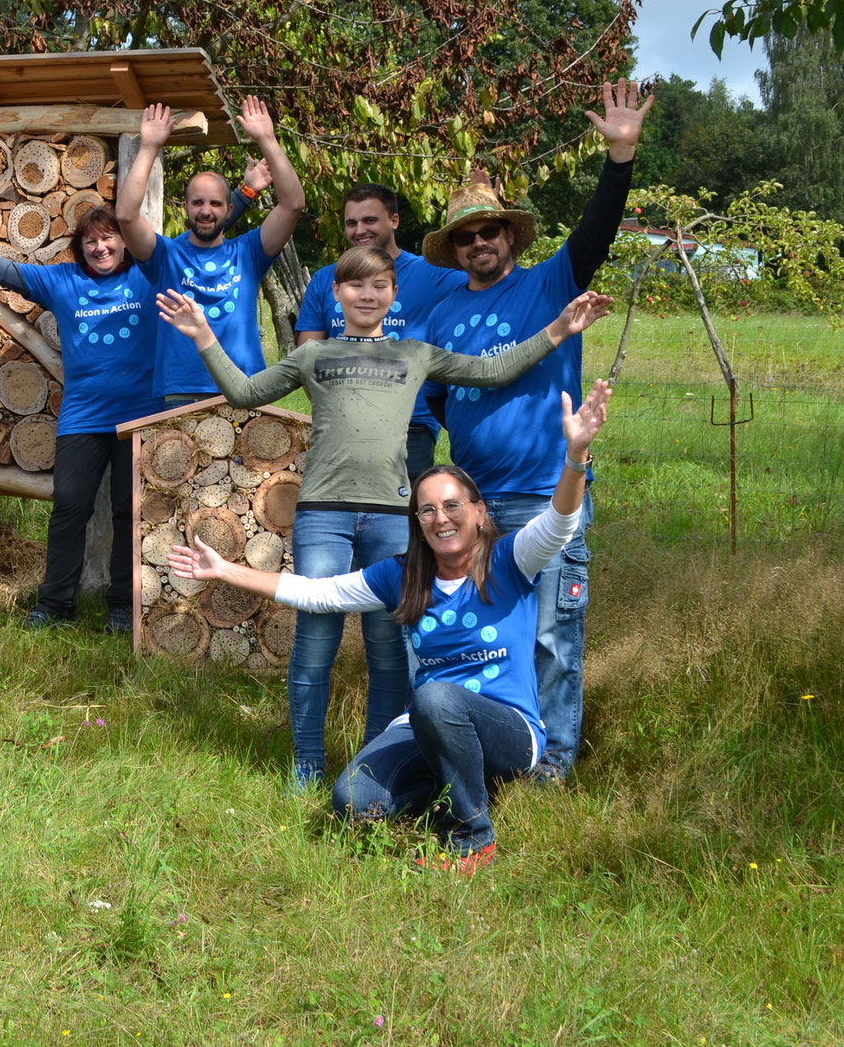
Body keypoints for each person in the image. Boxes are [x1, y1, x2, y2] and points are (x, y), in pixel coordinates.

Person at [159, 251, 612, 788]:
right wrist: (204, 336)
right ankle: (307, 764)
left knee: (390, 648)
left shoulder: (414, 353)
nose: (366, 295)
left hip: (393, 517)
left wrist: (559, 328)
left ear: (393, 294)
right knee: (315, 640)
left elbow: (494, 370)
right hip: (323, 515)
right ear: (336, 295)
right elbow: (244, 392)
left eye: (379, 285)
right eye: (354, 286)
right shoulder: (314, 355)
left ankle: (377, 759)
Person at [170, 378, 614, 874]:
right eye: (427, 510)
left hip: (508, 731)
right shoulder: (401, 576)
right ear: (417, 521)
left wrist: (575, 456)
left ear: (478, 512)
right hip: (427, 726)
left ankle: (470, 838)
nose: (440, 518)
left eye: (452, 506)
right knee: (353, 803)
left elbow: (560, 521)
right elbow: (320, 594)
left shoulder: (511, 560)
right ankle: (460, 785)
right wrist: (224, 569)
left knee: (434, 696)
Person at [422, 80, 651, 781]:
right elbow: (435, 402)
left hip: (550, 497)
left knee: (554, 637)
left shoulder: (551, 284)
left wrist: (620, 158)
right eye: (466, 236)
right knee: (493, 640)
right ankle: (497, 756)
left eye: (488, 230)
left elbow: (598, 230)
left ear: (509, 236)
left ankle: (551, 771)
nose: (478, 242)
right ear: (456, 249)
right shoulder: (441, 317)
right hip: (478, 510)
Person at [0, 204, 156, 633]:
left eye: (109, 238)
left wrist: (241, 198)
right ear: (79, 248)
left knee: (128, 511)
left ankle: (122, 605)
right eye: (91, 240)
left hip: (141, 416)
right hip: (83, 417)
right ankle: (56, 604)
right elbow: (6, 271)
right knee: (69, 508)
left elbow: (199, 250)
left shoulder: (148, 275)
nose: (100, 247)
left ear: (125, 241)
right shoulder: (64, 282)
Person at [117, 97, 306, 403]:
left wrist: (267, 139)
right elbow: (126, 215)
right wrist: (150, 147)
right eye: (198, 203)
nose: (206, 211)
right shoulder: (165, 257)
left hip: (246, 389)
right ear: (185, 206)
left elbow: (293, 203)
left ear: (230, 208)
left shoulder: (249, 253)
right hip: (182, 391)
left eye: (215, 203)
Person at [292, 183, 466, 480]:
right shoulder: (326, 280)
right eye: (351, 223)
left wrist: (485, 213)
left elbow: (486, 278)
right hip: (340, 426)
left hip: (410, 426)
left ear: (394, 221)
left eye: (369, 220)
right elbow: (305, 360)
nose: (360, 230)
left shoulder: (430, 274)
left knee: (404, 522)